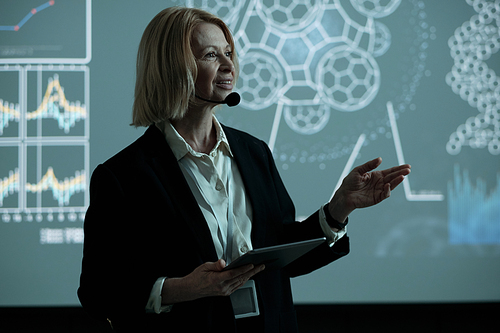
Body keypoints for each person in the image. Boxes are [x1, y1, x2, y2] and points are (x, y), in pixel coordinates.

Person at [78, 6, 411, 332]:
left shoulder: (253, 152)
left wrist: (339, 208)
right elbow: (98, 293)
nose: (229, 65)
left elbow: (281, 254)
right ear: (173, 67)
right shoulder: (123, 177)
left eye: (228, 52)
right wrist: (185, 288)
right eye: (211, 55)